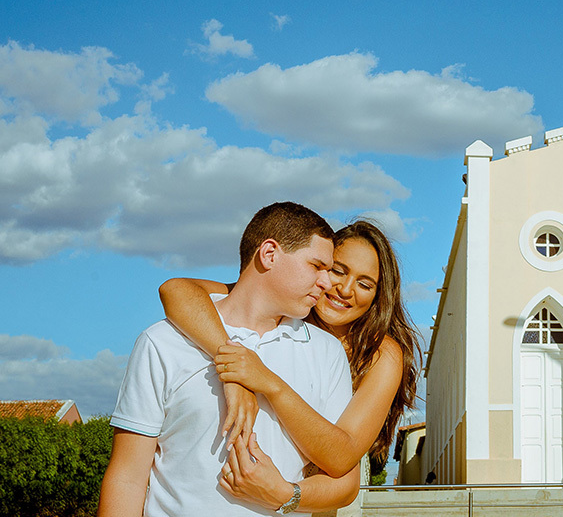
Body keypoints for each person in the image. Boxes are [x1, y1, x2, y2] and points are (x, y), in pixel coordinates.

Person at [98, 202, 360, 517]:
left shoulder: (328, 353)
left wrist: (284, 495)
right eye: (316, 266)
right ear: (269, 254)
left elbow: (342, 475)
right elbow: (128, 476)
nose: (326, 282)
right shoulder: (164, 342)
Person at [157, 219, 419, 515]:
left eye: (364, 283)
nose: (345, 290)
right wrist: (233, 372)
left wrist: (281, 493)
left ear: (378, 296)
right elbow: (177, 289)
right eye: (337, 271)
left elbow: (342, 460)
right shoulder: (285, 309)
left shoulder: (381, 354)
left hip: (321, 500)